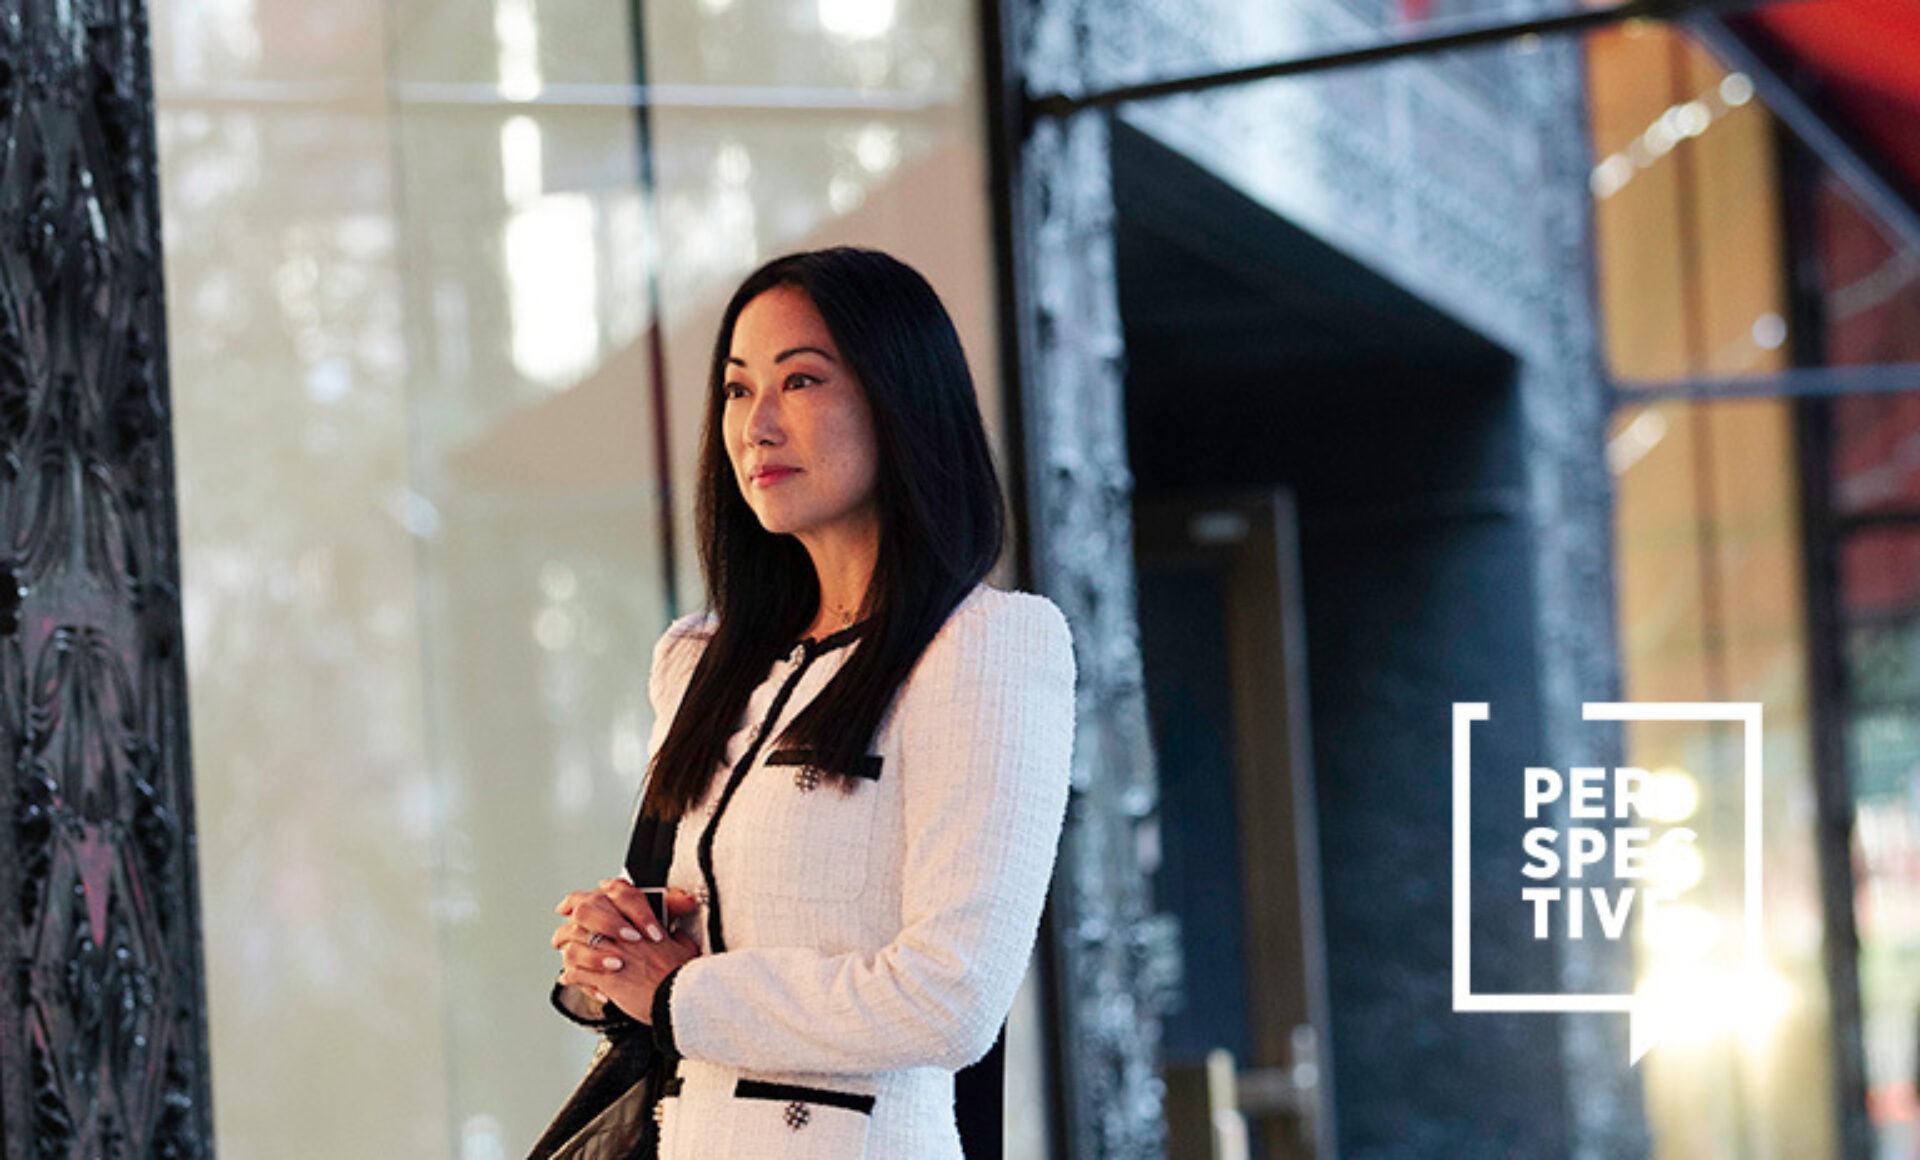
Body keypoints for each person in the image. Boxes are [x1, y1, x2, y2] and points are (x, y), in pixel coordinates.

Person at [546, 245, 1077, 1158]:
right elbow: (679, 947)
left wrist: (681, 996)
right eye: (737, 389)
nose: (758, 425)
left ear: (897, 398)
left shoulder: (984, 646)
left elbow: (952, 999)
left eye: (801, 381)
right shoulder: (699, 660)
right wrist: (610, 956)